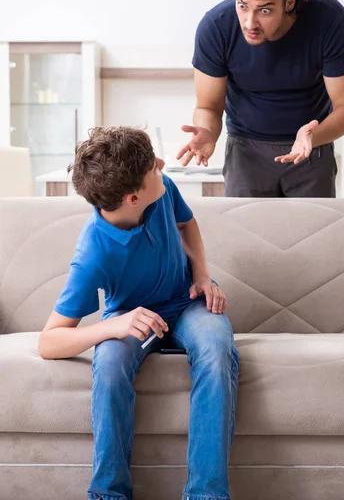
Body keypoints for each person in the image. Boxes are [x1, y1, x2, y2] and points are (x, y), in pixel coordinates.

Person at [38, 126, 240, 500]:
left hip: (186, 302)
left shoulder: (160, 190)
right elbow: (49, 341)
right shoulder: (92, 255)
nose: (161, 166)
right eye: (153, 167)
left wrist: (202, 276)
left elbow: (187, 223)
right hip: (129, 316)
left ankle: (206, 494)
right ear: (132, 198)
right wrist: (112, 325)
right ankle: (109, 493)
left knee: (216, 350)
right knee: (111, 365)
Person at [177, 0, 344, 198]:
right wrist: (208, 133)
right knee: (246, 235)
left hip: (311, 150)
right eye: (242, 6)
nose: (249, 23)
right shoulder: (216, 26)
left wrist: (313, 136)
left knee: (312, 235)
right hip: (245, 152)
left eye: (264, 10)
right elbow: (208, 106)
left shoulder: (330, 19)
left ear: (290, 2)